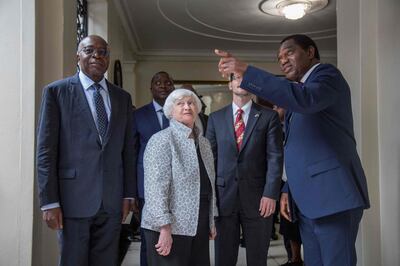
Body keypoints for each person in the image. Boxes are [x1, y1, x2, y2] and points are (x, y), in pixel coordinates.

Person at [215, 34, 370, 266]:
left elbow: (305, 100)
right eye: (279, 58)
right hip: (307, 201)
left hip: (333, 196)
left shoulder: (327, 76)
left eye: (289, 53)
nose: (283, 60)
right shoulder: (300, 91)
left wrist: (247, 71)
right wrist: (288, 188)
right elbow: (299, 147)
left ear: (309, 52)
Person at [36, 35, 135, 266]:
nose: (97, 56)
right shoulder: (56, 92)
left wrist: (128, 194)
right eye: (89, 50)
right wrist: (49, 201)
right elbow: (45, 151)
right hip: (72, 200)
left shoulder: (122, 98)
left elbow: (127, 150)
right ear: (77, 56)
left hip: (111, 201)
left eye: (103, 52)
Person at [206, 74, 283, 266]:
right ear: (230, 84)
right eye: (237, 78)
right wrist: (211, 200)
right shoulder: (215, 118)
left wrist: (270, 194)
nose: (242, 82)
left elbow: (275, 158)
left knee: (258, 258)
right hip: (224, 198)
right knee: (224, 258)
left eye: (247, 78)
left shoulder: (268, 116)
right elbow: (209, 162)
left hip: (259, 199)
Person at [141, 89, 218, 266]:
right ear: (170, 110)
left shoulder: (204, 143)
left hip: (198, 223)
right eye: (180, 103)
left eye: (191, 103)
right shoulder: (161, 140)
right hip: (169, 227)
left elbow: (209, 185)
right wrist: (164, 227)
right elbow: (155, 188)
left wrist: (210, 221)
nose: (187, 107)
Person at [131, 71, 175, 266]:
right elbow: (131, 155)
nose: (163, 86)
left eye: (167, 82)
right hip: (146, 189)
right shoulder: (137, 115)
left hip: (176, 188)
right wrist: (132, 193)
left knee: (174, 236)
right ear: (151, 88)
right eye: (158, 82)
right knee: (148, 238)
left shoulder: (180, 113)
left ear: (172, 87)